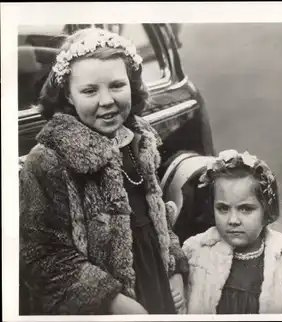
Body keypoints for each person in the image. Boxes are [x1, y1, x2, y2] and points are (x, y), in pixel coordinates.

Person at [19, 27, 188, 315]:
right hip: (103, 305)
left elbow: (157, 214)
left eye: (117, 85)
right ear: (69, 96)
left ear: (131, 85)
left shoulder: (138, 139)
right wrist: (112, 302)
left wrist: (174, 268)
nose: (106, 100)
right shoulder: (48, 160)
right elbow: (44, 257)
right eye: (89, 90)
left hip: (153, 278)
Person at [182, 149, 282, 314]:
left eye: (245, 209)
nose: (233, 220)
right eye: (223, 209)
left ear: (266, 210)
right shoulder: (195, 253)